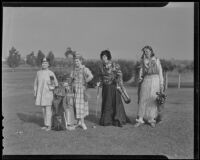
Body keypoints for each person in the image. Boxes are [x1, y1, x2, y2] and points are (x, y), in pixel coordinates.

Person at [97, 50, 130, 127]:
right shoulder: (100, 66)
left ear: (108, 57)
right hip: (105, 88)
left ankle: (117, 119)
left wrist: (120, 85)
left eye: (104, 56)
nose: (103, 58)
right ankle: (107, 120)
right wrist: (99, 83)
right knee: (107, 103)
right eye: (102, 57)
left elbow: (120, 75)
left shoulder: (115, 65)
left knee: (115, 103)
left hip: (114, 87)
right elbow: (100, 77)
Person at [134, 46, 164, 128]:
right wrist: (140, 79)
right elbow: (141, 72)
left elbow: (160, 72)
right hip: (146, 80)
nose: (146, 53)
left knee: (153, 99)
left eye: (147, 51)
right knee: (143, 99)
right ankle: (140, 119)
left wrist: (161, 84)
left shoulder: (156, 60)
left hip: (155, 81)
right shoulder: (143, 61)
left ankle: (151, 119)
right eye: (144, 51)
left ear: (151, 51)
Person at [34, 58, 58, 131]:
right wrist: (35, 92)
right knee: (43, 110)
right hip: (41, 94)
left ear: (48, 64)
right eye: (43, 63)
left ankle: (49, 125)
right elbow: (35, 84)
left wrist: (51, 86)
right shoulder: (38, 73)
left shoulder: (50, 73)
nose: (44, 64)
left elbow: (55, 84)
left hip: (48, 94)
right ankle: (46, 124)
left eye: (45, 63)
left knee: (48, 110)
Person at [70, 53, 93, 130]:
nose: (76, 62)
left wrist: (85, 82)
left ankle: (82, 123)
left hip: (82, 90)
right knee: (76, 106)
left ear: (81, 61)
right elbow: (71, 79)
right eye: (75, 61)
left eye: (77, 61)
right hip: (75, 90)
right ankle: (79, 122)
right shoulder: (74, 70)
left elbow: (91, 76)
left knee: (81, 107)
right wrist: (70, 84)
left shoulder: (84, 69)